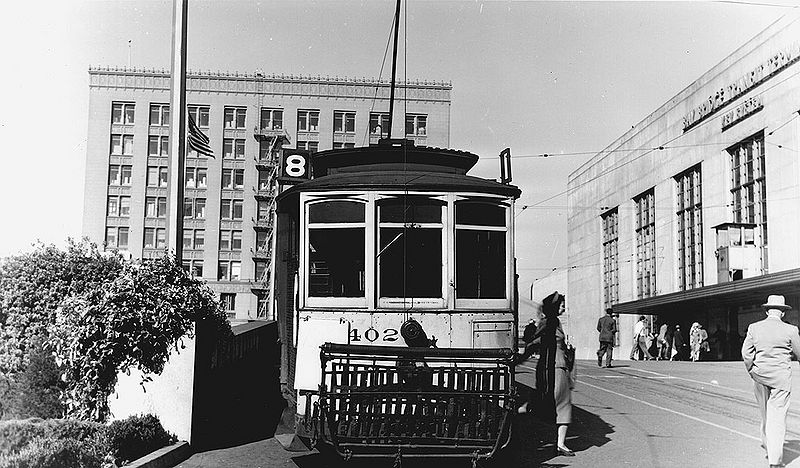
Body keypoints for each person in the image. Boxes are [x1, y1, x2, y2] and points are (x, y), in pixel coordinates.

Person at [741, 295, 800, 468]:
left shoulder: (754, 328)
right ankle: (775, 460)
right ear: (782, 313)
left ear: (767, 311)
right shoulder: (791, 330)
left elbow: (746, 353)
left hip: (759, 376)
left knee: (765, 414)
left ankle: (769, 447)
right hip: (780, 380)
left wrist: (752, 370)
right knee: (777, 417)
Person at [520, 291, 575, 456]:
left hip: (556, 366)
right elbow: (536, 341)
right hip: (554, 368)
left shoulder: (553, 322)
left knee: (557, 404)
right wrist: (522, 357)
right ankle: (559, 443)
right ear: (555, 306)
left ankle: (560, 443)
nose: (564, 308)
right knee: (559, 404)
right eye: (562, 305)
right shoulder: (550, 322)